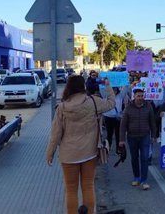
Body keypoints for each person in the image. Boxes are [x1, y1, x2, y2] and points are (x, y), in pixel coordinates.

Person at [45, 75, 116, 214]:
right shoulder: (93, 102)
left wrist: (50, 152)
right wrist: (107, 86)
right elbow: (111, 103)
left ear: (69, 87)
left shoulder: (62, 107)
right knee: (88, 186)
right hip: (89, 153)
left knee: (71, 190)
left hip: (68, 155)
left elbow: (56, 133)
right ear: (83, 86)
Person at [119, 88, 156, 190]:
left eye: (142, 96)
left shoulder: (148, 106)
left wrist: (153, 135)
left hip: (145, 136)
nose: (140, 98)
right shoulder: (128, 108)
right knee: (134, 158)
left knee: (144, 158)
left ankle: (144, 181)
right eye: (138, 96)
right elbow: (123, 124)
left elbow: (152, 122)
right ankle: (136, 177)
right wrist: (121, 139)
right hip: (132, 137)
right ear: (134, 96)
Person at [103, 86, 129, 152]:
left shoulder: (120, 96)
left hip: (117, 117)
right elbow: (101, 87)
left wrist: (126, 80)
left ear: (117, 90)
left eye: (115, 90)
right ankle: (107, 148)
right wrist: (101, 80)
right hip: (108, 117)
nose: (114, 91)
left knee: (118, 134)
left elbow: (125, 88)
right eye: (112, 90)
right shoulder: (105, 96)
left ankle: (118, 148)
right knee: (109, 134)